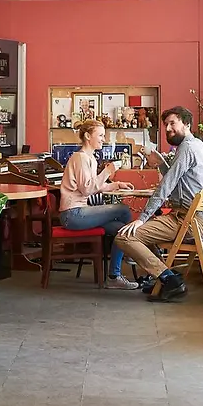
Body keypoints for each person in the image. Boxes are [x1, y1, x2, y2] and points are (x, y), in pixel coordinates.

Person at [114, 106, 203, 303]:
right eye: (166, 125)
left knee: (124, 237)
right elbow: (180, 182)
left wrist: (141, 219)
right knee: (145, 234)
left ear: (186, 124)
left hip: (187, 221)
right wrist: (160, 163)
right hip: (195, 219)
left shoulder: (187, 148)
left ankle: (169, 279)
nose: (168, 128)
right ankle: (158, 276)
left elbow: (166, 186)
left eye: (172, 123)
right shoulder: (197, 145)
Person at [58, 119, 136, 288]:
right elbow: (87, 189)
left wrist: (116, 184)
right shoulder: (80, 158)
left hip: (80, 212)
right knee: (123, 210)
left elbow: (93, 186)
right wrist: (108, 171)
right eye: (100, 135)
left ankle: (114, 276)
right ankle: (133, 250)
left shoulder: (89, 158)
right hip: (73, 214)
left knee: (120, 230)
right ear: (87, 136)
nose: (104, 139)